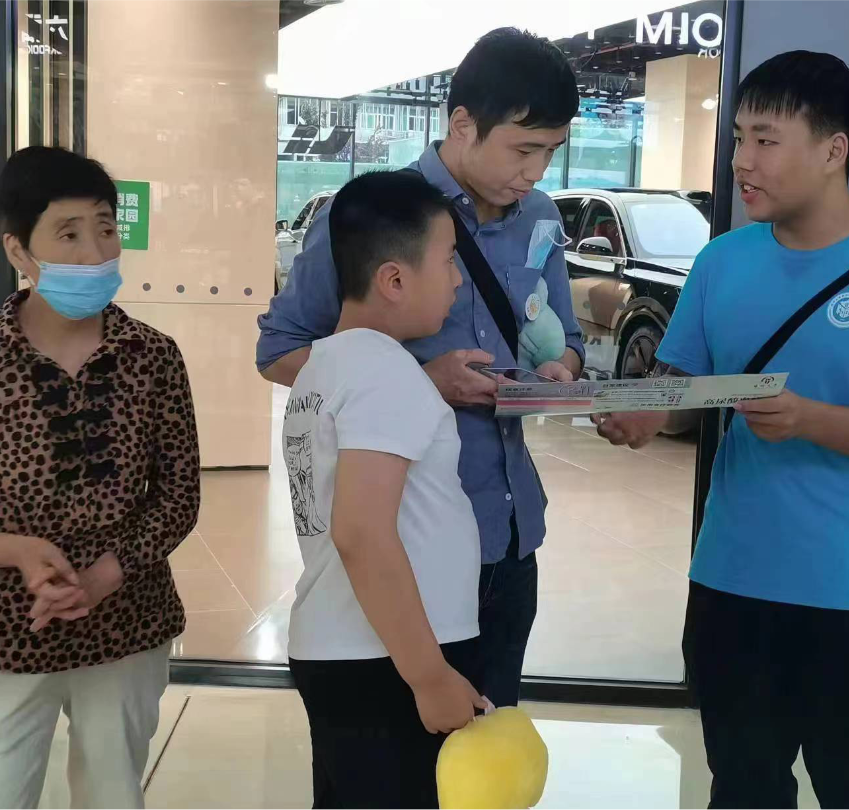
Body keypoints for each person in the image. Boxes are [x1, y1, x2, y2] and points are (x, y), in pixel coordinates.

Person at [596, 51, 849, 809]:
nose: (743, 160)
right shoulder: (721, 261)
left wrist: (809, 420)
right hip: (732, 580)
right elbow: (679, 389)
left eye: (766, 140)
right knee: (743, 788)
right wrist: (642, 414)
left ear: (834, 150)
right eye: (739, 138)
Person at [257, 28, 584, 708]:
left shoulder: (539, 218)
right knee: (398, 746)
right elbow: (281, 351)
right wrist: (419, 384)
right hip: (403, 545)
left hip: (508, 532)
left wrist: (561, 370)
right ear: (462, 124)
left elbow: (566, 338)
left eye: (551, 152)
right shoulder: (377, 215)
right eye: (523, 149)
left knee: (489, 743)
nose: (536, 172)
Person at [0, 146, 201, 810]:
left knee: (113, 792)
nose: (95, 251)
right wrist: (13, 551)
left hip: (127, 622)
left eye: (105, 228)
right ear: (19, 250)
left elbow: (178, 497)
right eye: (69, 234)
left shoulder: (153, 357)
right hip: (5, 632)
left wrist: (106, 573)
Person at [285, 170, 487, 809]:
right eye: (449, 261)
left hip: (353, 648)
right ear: (394, 280)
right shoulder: (384, 371)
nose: (458, 280)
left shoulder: (326, 364)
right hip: (388, 658)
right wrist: (429, 677)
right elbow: (363, 533)